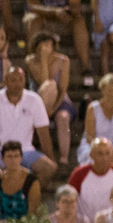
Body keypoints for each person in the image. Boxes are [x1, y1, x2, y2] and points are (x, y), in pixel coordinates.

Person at [0, 66, 56, 185]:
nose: (18, 84)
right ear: (5, 81)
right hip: (1, 152)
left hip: (26, 151)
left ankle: (31, 198)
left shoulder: (34, 100)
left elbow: (43, 133)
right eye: (13, 80)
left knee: (49, 168)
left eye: (21, 79)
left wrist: (51, 159)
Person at [25, 33, 74, 168]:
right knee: (49, 85)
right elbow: (43, 83)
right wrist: (44, 60)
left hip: (59, 101)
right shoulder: (30, 60)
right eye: (43, 46)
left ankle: (64, 157)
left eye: (49, 45)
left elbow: (63, 89)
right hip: (38, 101)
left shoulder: (63, 60)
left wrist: (53, 108)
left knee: (63, 117)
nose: (47, 49)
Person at [68, 137, 113, 223]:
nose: (104, 157)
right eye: (100, 154)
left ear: (112, 154)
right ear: (91, 155)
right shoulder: (79, 174)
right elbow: (68, 198)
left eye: (107, 153)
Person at [23, 0, 89, 83]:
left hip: (62, 17)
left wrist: (69, 11)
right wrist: (54, 11)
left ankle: (85, 69)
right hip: (40, 15)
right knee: (34, 21)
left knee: (79, 22)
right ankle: (30, 67)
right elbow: (32, 6)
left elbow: (75, 6)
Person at [77, 74, 113, 165]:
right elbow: (90, 137)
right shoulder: (93, 108)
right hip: (93, 147)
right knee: (96, 161)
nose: (111, 94)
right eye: (109, 90)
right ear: (102, 90)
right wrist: (103, 151)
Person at [0, 139, 41, 219]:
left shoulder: (31, 181)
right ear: (3, 158)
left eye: (16, 156)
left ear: (21, 158)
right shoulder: (0, 178)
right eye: (9, 156)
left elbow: (33, 213)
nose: (13, 160)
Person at [92, 0, 113, 76]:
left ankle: (112, 72)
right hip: (101, 15)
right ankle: (105, 76)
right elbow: (93, 2)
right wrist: (96, 18)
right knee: (104, 47)